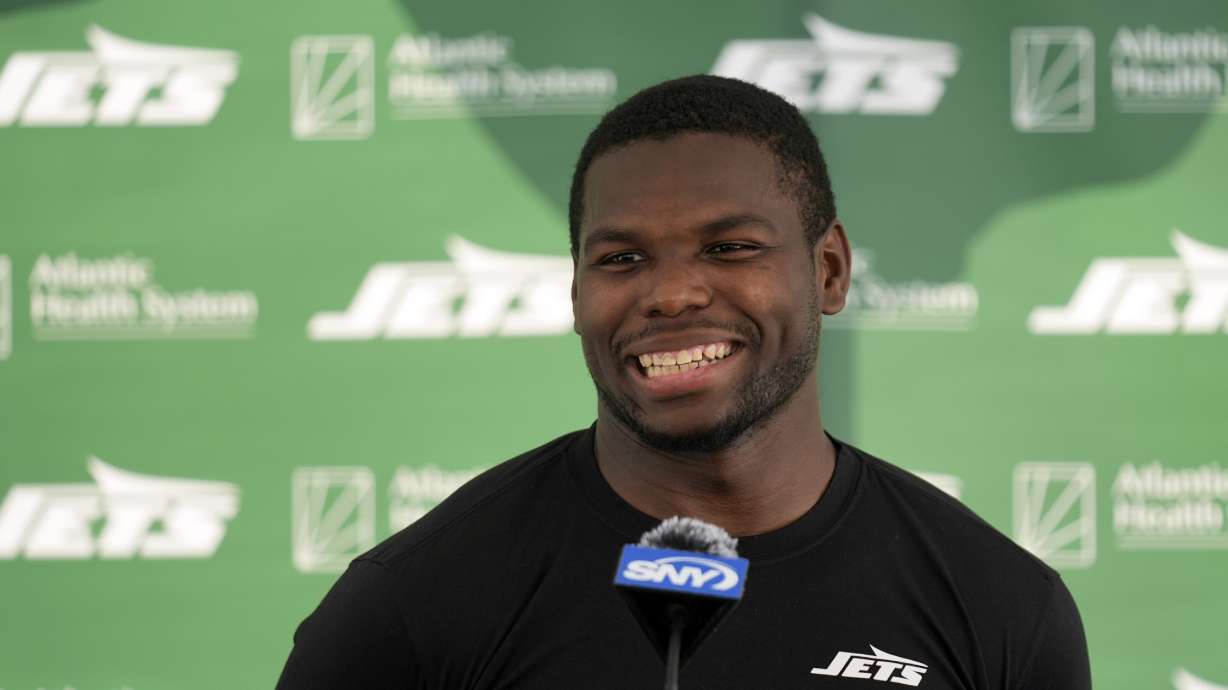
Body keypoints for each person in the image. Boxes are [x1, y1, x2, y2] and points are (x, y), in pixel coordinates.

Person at [277, 75, 1091, 689]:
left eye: (730, 247)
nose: (670, 294)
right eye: (621, 259)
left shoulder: (1002, 607)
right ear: (575, 294)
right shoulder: (415, 607)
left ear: (830, 271)